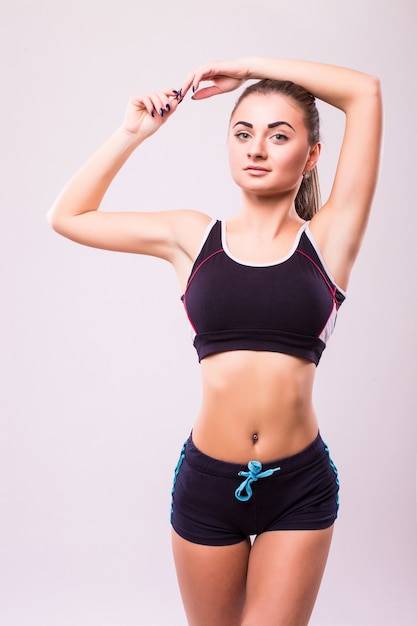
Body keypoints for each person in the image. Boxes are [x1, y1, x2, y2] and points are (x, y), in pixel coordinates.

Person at [48, 57, 382, 626]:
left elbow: (364, 92)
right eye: (243, 132)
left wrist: (245, 65)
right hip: (207, 484)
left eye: (280, 136)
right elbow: (69, 216)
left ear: (312, 154)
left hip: (298, 486)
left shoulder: (330, 238)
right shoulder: (192, 237)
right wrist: (132, 134)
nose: (257, 149)